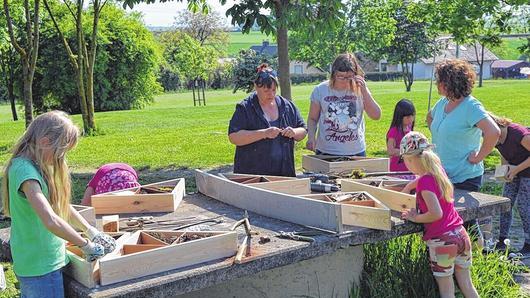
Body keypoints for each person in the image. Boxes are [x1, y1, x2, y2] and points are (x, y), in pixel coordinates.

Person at [1, 111, 116, 297]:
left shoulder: (32, 164)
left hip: (40, 260)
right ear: (45, 142)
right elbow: (51, 220)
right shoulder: (25, 172)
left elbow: (60, 205)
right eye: (61, 151)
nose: (60, 158)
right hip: (41, 266)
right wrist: (85, 245)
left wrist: (90, 231)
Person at [427, 59, 500, 246]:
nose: (436, 84)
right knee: (446, 220)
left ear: (447, 83)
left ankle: (478, 256)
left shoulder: (471, 106)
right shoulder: (442, 102)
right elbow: (431, 118)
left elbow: (493, 132)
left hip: (465, 176)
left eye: (439, 80)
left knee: (464, 222)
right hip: (443, 175)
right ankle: (453, 255)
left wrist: (478, 157)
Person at [400, 131, 479, 298]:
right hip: (461, 235)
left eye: (405, 160)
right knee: (467, 286)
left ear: (410, 159)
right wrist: (408, 187)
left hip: (442, 242)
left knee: (447, 290)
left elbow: (436, 214)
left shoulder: (424, 183)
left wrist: (415, 217)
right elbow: (423, 179)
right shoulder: (438, 171)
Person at [228, 63, 307, 177]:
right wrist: (264, 133)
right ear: (256, 87)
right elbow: (234, 137)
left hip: (284, 173)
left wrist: (294, 132)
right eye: (266, 91)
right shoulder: (245, 107)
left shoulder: (287, 106)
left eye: (274, 90)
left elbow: (303, 131)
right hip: (252, 174)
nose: (271, 94)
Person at [306, 53, 381, 156]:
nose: (345, 80)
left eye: (349, 77)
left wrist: (364, 91)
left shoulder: (360, 89)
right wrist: (311, 137)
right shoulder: (321, 90)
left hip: (356, 151)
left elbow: (376, 115)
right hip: (326, 151)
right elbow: (312, 119)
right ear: (333, 74)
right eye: (341, 76)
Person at [489, 113, 530, 254]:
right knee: (506, 202)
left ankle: (528, 243)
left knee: (524, 205)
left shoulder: (519, 134)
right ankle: (502, 240)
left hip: (527, 170)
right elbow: (504, 154)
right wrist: (505, 171)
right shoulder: (495, 138)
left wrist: (516, 169)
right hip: (515, 168)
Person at [386, 98, 416, 172]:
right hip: (397, 169)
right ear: (399, 116)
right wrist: (407, 152)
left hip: (409, 167)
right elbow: (390, 151)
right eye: (408, 117)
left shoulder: (409, 128)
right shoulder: (394, 131)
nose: (411, 119)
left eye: (412, 116)